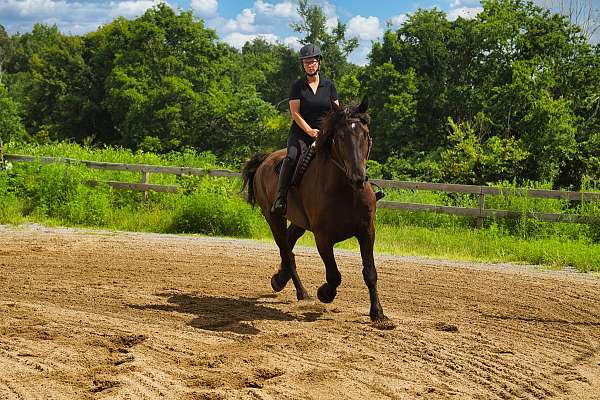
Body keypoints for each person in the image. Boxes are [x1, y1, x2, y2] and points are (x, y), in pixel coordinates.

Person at [271, 43, 339, 215]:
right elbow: (295, 113)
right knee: (291, 158)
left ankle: (362, 187)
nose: (310, 65)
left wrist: (328, 131)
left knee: (348, 152)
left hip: (325, 134)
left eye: (313, 62)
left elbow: (336, 111)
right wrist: (309, 131)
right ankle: (281, 198)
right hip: (301, 133)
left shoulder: (329, 86)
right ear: (303, 65)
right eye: (306, 62)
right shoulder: (297, 86)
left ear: (319, 63)